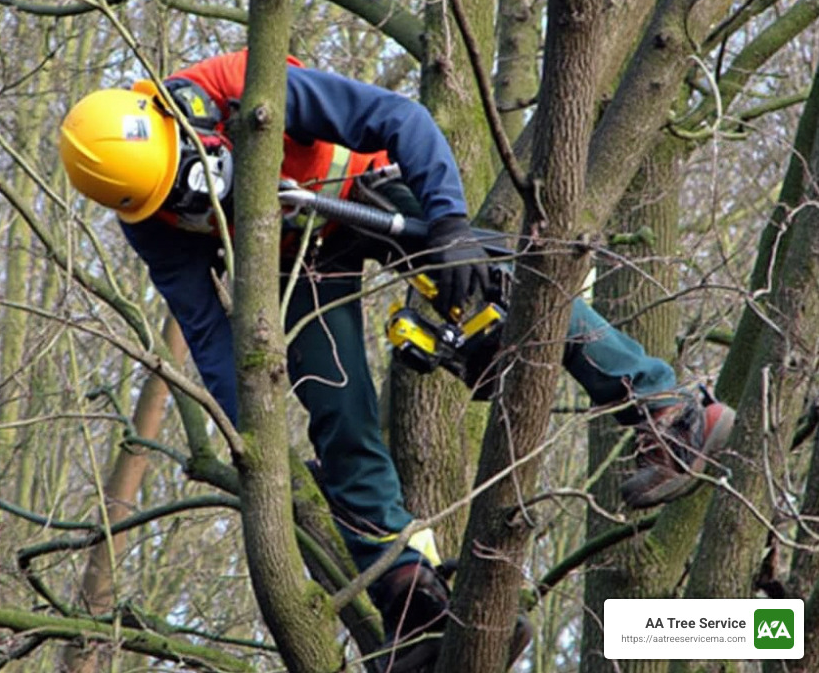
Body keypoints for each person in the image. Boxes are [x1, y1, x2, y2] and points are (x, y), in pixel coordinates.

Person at [57, 51, 735, 658]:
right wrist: (251, 437)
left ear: (187, 125)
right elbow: (207, 330)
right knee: (337, 410)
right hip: (299, 265)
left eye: (192, 176)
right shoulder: (148, 218)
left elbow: (396, 117)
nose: (195, 201)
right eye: (175, 200)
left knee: (511, 282)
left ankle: (667, 409)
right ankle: (413, 600)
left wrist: (447, 224)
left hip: (363, 187)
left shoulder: (244, 84)